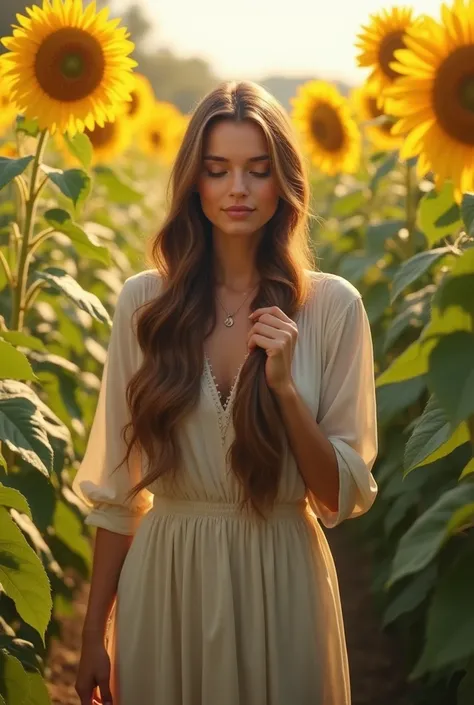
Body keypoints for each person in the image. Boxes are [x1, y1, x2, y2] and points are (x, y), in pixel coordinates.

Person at [72, 80, 378, 705]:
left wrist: (286, 390)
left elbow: (337, 494)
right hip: (168, 579)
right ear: (194, 183)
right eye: (218, 170)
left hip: (281, 578)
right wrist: (92, 634)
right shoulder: (145, 304)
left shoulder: (333, 309)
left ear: (283, 183)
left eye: (257, 171)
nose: (237, 188)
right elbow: (117, 492)